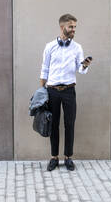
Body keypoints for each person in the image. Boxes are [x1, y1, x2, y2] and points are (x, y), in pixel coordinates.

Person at [39, 13, 92, 171]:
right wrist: (42, 91)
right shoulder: (49, 47)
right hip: (52, 91)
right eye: (71, 27)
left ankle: (68, 157)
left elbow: (80, 70)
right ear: (63, 27)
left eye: (75, 27)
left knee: (69, 124)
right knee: (53, 124)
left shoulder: (77, 48)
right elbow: (45, 69)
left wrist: (85, 65)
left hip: (69, 90)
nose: (74, 29)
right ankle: (54, 157)